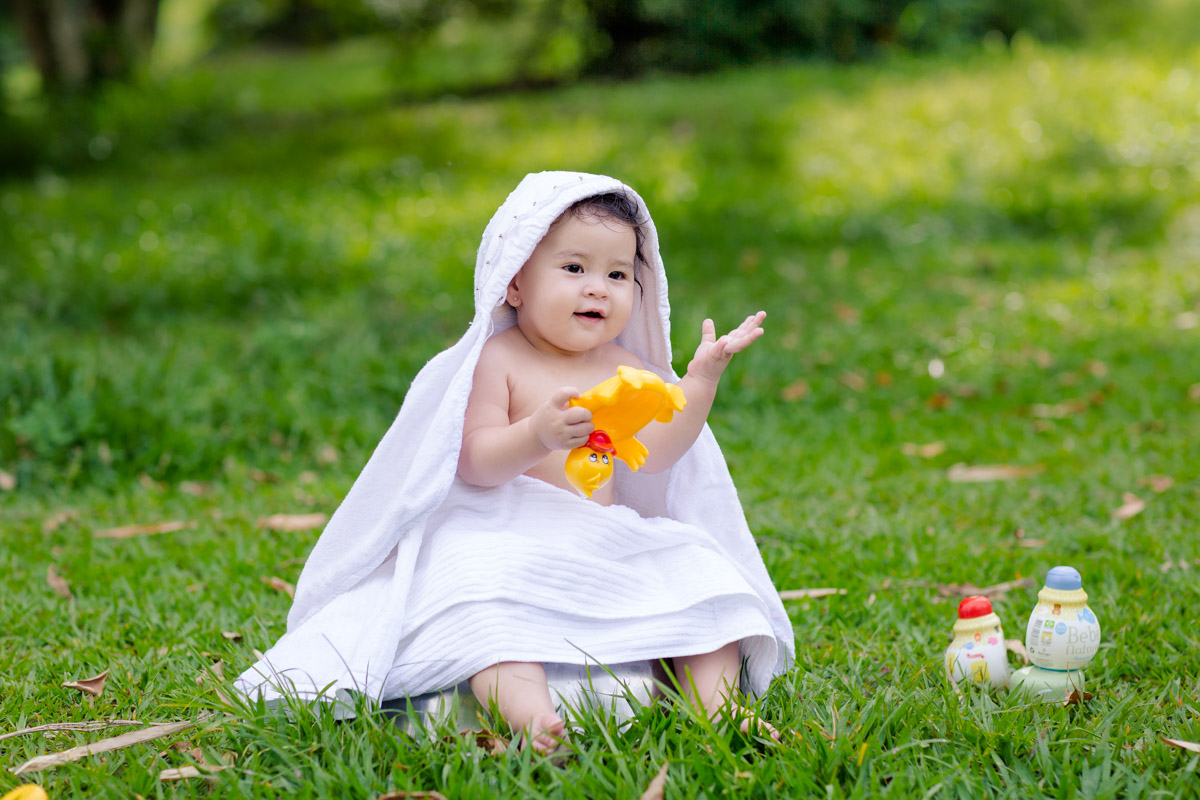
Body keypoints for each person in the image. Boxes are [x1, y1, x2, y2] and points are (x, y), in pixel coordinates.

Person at [235, 172, 794, 755]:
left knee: (696, 569)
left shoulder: (627, 367)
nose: (598, 288)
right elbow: (474, 459)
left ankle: (721, 709)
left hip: (599, 536)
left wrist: (700, 380)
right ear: (516, 283)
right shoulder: (499, 360)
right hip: (508, 533)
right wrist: (536, 434)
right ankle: (533, 716)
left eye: (618, 274)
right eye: (574, 269)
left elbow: (660, 454)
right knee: (487, 601)